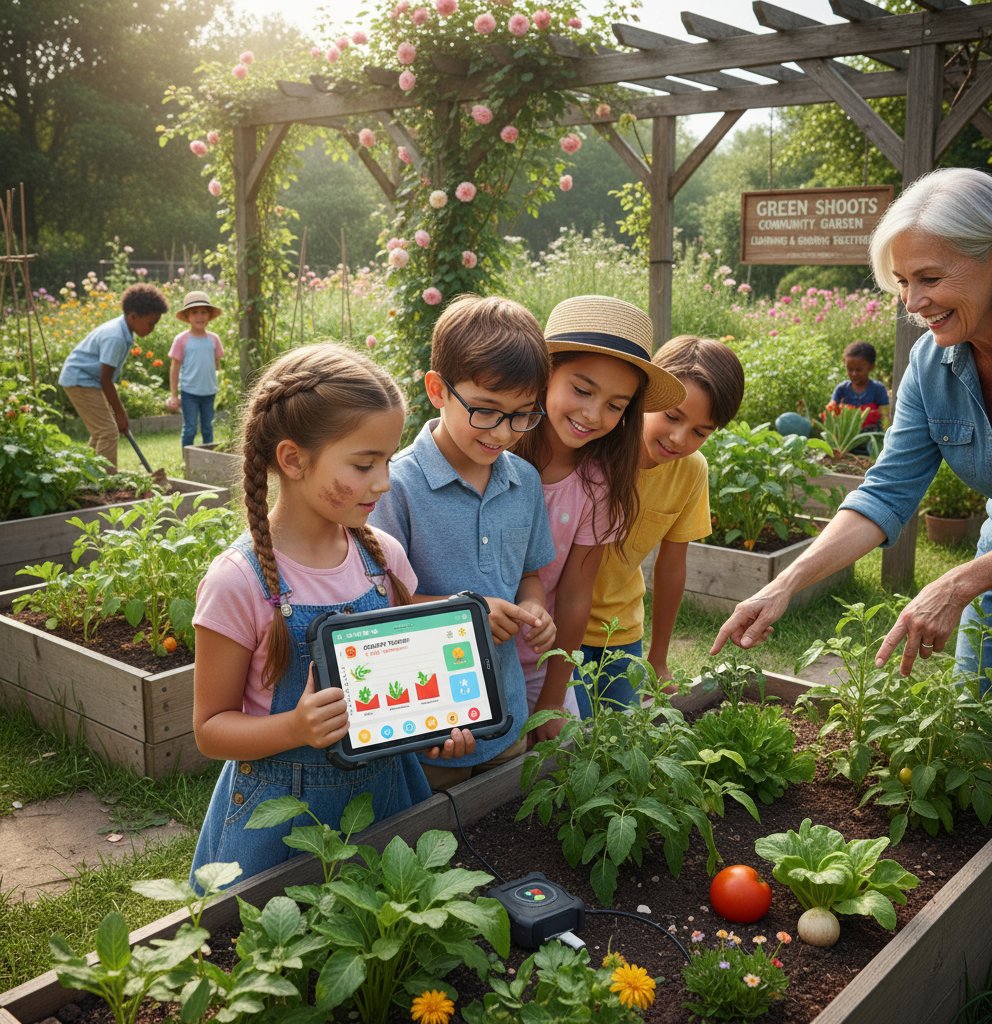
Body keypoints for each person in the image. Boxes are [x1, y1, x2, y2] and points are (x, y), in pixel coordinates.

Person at [712, 166, 992, 731]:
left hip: (984, 574)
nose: (914, 301)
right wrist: (784, 584)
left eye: (929, 277)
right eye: (903, 281)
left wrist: (957, 581)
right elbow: (884, 493)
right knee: (986, 739)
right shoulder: (932, 367)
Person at [190, 343, 473, 885]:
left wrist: (435, 724)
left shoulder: (381, 557)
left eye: (387, 461)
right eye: (364, 464)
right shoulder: (237, 580)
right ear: (293, 460)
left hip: (387, 791)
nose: (384, 481)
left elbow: (395, 677)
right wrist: (295, 726)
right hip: (282, 813)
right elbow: (210, 730)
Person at [370, 294, 556, 790]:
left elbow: (530, 576)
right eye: (487, 411)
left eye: (523, 415)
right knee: (431, 837)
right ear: (437, 389)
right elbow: (378, 603)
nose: (504, 432)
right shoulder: (396, 486)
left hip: (507, 716)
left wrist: (534, 609)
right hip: (427, 719)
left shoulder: (526, 482)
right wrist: (465, 613)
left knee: (503, 831)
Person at [513, 295, 688, 741]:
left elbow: (574, 593)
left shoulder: (599, 482)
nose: (593, 415)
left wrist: (553, 698)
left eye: (616, 405)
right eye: (583, 390)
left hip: (539, 660)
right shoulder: (495, 453)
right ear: (545, 375)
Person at [577, 335, 745, 715]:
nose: (679, 439)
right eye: (672, 417)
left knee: (619, 745)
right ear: (646, 397)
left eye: (701, 432)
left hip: (621, 632)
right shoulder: (594, 446)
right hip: (559, 625)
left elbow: (671, 567)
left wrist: (659, 655)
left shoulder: (691, 471)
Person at [58, 283, 168, 468]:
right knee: (108, 432)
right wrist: (120, 413)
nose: (152, 329)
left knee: (101, 431)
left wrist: (118, 413)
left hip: (86, 380)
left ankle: (86, 477)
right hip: (79, 380)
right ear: (133, 316)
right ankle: (106, 487)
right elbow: (105, 379)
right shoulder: (115, 337)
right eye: (151, 323)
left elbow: (104, 380)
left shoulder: (123, 329)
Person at [167, 290, 224, 451]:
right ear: (187, 317)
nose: (200, 316)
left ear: (209, 315)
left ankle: (209, 458)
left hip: (209, 392)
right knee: (190, 428)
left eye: (203, 312)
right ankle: (187, 460)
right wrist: (173, 394)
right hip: (189, 392)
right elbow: (174, 367)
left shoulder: (214, 339)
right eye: (194, 312)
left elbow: (217, 365)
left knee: (208, 428)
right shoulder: (181, 340)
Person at [830, 340, 890, 432]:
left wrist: (885, 437)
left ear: (871, 367)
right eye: (849, 369)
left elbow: (885, 417)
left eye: (859, 370)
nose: (854, 374)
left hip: (871, 437)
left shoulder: (878, 389)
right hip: (846, 439)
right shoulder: (841, 389)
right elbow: (831, 413)